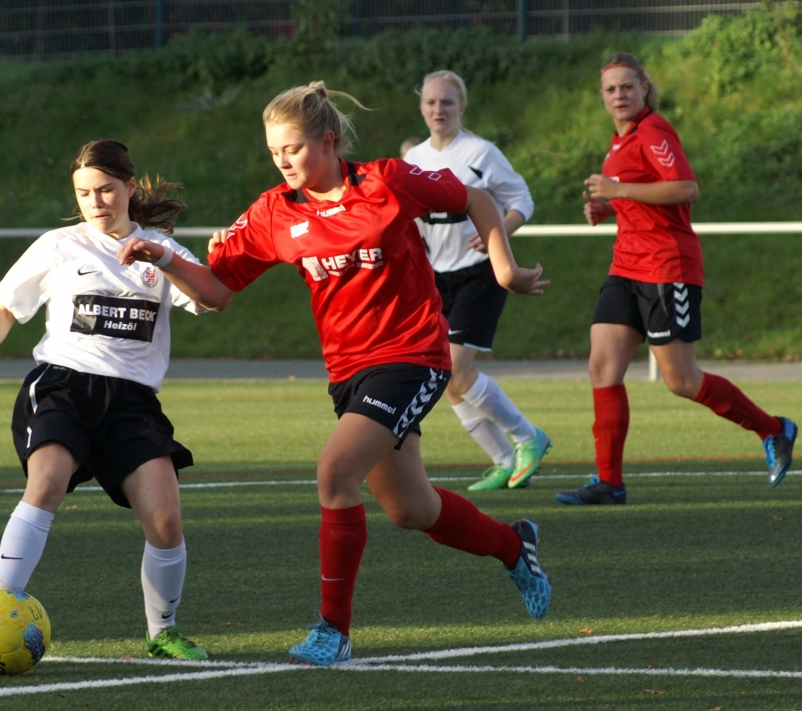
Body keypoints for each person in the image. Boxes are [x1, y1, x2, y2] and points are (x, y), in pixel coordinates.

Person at [116, 81, 553, 667]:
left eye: (292, 149)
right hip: (349, 371)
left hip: (412, 353)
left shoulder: (387, 181)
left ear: (327, 141)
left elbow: (477, 199)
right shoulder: (274, 212)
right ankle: (512, 545)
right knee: (409, 508)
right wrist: (165, 256)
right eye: (274, 152)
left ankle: (332, 631)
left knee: (334, 472)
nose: (282, 161)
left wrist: (504, 270)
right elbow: (217, 291)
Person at [0, 139, 210, 659]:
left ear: (129, 189)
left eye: (105, 190)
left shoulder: (160, 251)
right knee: (47, 481)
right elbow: (5, 308)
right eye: (84, 193)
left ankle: (162, 631)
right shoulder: (59, 244)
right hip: (64, 386)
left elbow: (209, 298)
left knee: (165, 521)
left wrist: (196, 257)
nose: (95, 201)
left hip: (133, 403)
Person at [555, 53, 797, 506]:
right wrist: (609, 208)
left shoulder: (653, 130)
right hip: (625, 267)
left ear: (645, 88)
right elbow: (644, 193)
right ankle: (610, 483)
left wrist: (618, 190)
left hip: (667, 268)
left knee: (681, 381)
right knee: (602, 368)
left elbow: (686, 189)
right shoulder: (618, 141)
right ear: (602, 97)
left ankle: (774, 429)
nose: (619, 95)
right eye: (610, 89)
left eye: (628, 86)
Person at [403, 70, 551, 492]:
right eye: (431, 102)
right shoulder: (414, 160)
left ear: (461, 108)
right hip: (435, 278)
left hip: (479, 274)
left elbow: (522, 199)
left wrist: (498, 231)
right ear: (421, 107)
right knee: (445, 378)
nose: (438, 110)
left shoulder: (481, 153)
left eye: (447, 102)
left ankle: (528, 437)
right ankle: (503, 460)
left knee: (455, 369)